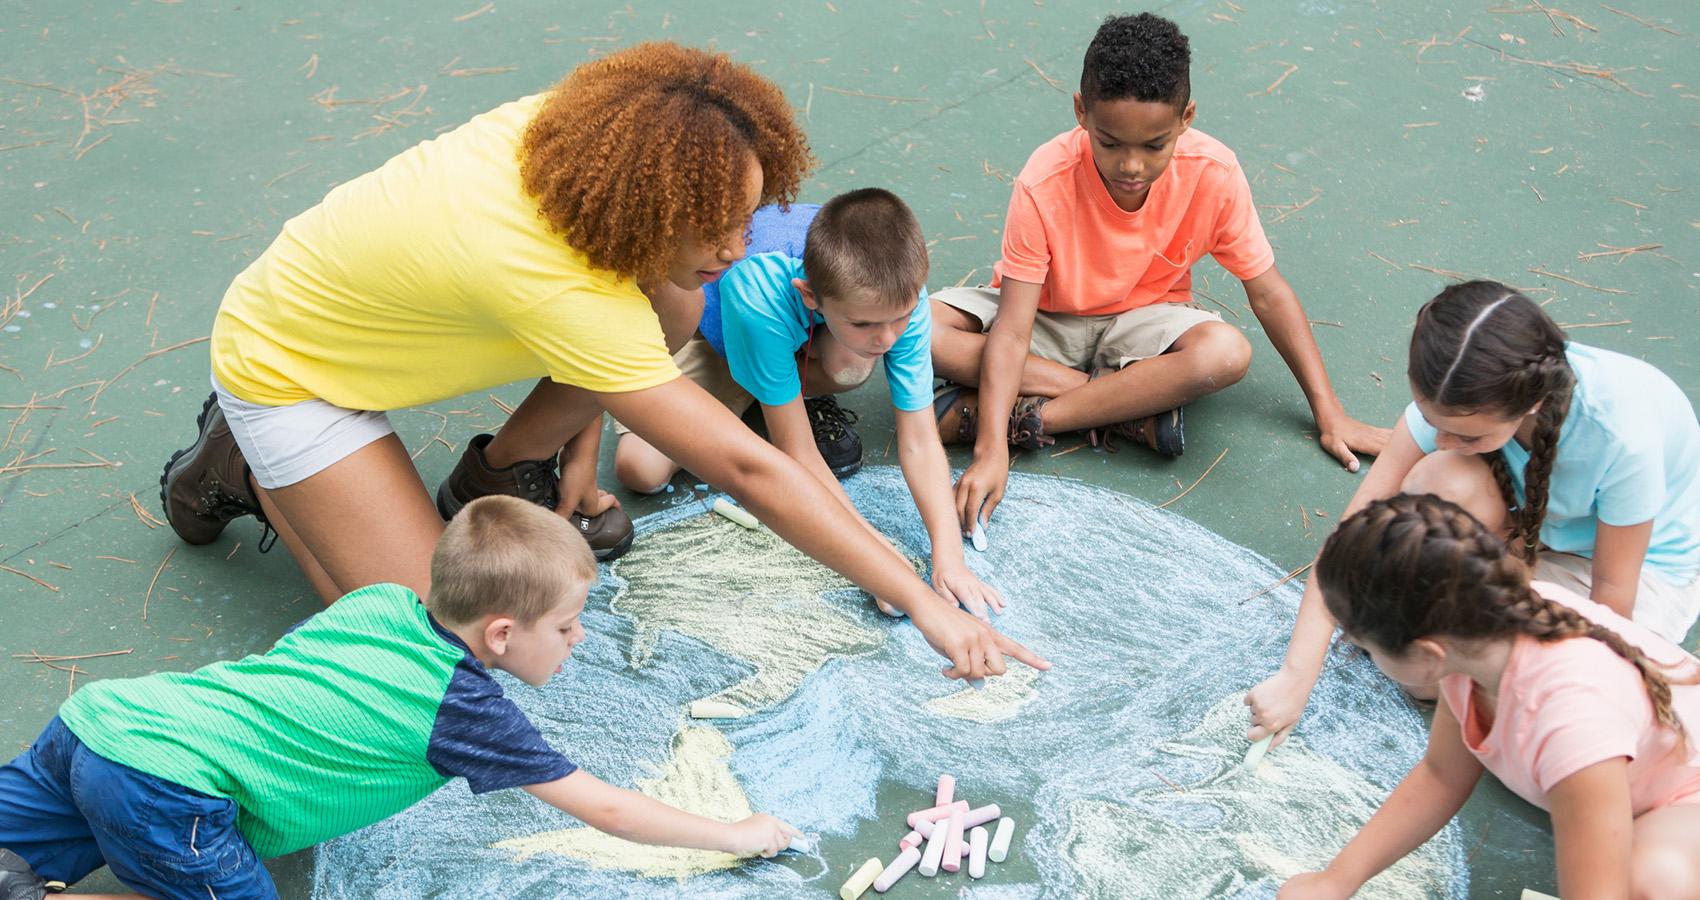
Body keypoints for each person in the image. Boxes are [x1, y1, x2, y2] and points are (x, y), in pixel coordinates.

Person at [158, 42, 1045, 680]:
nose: (743, 246)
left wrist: (580, 479)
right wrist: (923, 598)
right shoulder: (553, 282)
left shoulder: (595, 149)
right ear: (652, 209)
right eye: (720, 226)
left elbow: (643, 332)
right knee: (450, 650)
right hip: (291, 373)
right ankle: (244, 461)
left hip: (370, 320)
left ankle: (493, 478)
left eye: (748, 215)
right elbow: (746, 464)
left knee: (679, 304)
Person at [0, 496, 800, 900]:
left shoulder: (382, 602)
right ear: (498, 635)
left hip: (105, 720)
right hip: (167, 790)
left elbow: (297, 694)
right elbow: (611, 811)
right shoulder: (464, 712)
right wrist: (735, 833)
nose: (579, 638)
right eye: (565, 625)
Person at [932, 12, 1385, 534]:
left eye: (1154, 146)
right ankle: (1125, 405)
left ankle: (1037, 415)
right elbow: (1012, 328)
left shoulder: (1213, 172)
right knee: (916, 329)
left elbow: (1269, 295)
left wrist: (1330, 413)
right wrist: (988, 453)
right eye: (1110, 143)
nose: (1131, 166)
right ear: (1081, 112)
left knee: (1226, 353)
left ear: (1186, 117)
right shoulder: (1045, 177)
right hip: (1043, 320)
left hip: (1143, 325)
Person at [1247, 280, 1700, 747]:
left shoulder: (1622, 435)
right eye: (1433, 423)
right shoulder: (1460, 386)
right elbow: (1348, 542)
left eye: (1466, 437)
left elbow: (1611, 604)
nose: (1442, 443)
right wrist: (1295, 675)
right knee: (1436, 483)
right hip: (1541, 530)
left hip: (1644, 574)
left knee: (1440, 671)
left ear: (1531, 404)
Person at [1278, 494, 1700, 899]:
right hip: (1627, 776)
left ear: (1427, 654)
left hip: (1685, 791)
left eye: (1366, 646)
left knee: (1652, 882)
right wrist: (1336, 880)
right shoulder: (1474, 632)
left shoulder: (1570, 722)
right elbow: (1441, 776)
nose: (1358, 651)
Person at [618, 189, 1004, 619]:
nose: (888, 338)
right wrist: (884, 567)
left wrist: (950, 559)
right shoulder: (758, 291)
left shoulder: (898, 292)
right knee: (641, 469)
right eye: (864, 323)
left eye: (901, 318)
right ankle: (769, 394)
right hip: (715, 332)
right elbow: (798, 453)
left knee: (851, 362)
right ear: (809, 296)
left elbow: (919, 439)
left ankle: (779, 389)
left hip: (793, 339)